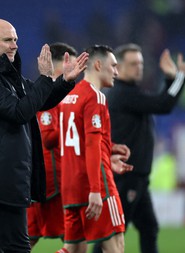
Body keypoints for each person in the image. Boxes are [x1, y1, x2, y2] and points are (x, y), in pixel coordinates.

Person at [0, 18, 88, 253]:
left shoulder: (5, 76)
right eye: (8, 40)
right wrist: (46, 78)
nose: (14, 45)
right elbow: (20, 112)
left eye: (16, 40)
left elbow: (39, 99)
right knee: (17, 248)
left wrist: (64, 82)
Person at [92, 43, 185, 253]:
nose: (139, 67)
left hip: (137, 177)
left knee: (148, 228)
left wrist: (170, 78)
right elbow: (164, 105)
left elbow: (160, 103)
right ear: (118, 68)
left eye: (140, 63)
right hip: (126, 177)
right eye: (133, 64)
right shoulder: (122, 93)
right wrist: (181, 76)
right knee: (114, 232)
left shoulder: (131, 93)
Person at [58, 45, 126, 253]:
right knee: (115, 247)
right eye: (113, 66)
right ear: (98, 65)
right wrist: (96, 190)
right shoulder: (95, 97)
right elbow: (90, 144)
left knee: (74, 249)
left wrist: (110, 150)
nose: (116, 72)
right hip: (95, 186)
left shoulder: (68, 97)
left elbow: (74, 141)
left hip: (70, 187)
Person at [27, 42, 78, 249]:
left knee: (27, 238)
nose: (77, 71)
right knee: (74, 238)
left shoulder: (62, 95)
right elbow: (47, 138)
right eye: (73, 65)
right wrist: (74, 127)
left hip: (48, 179)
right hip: (51, 183)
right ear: (61, 65)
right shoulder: (49, 95)